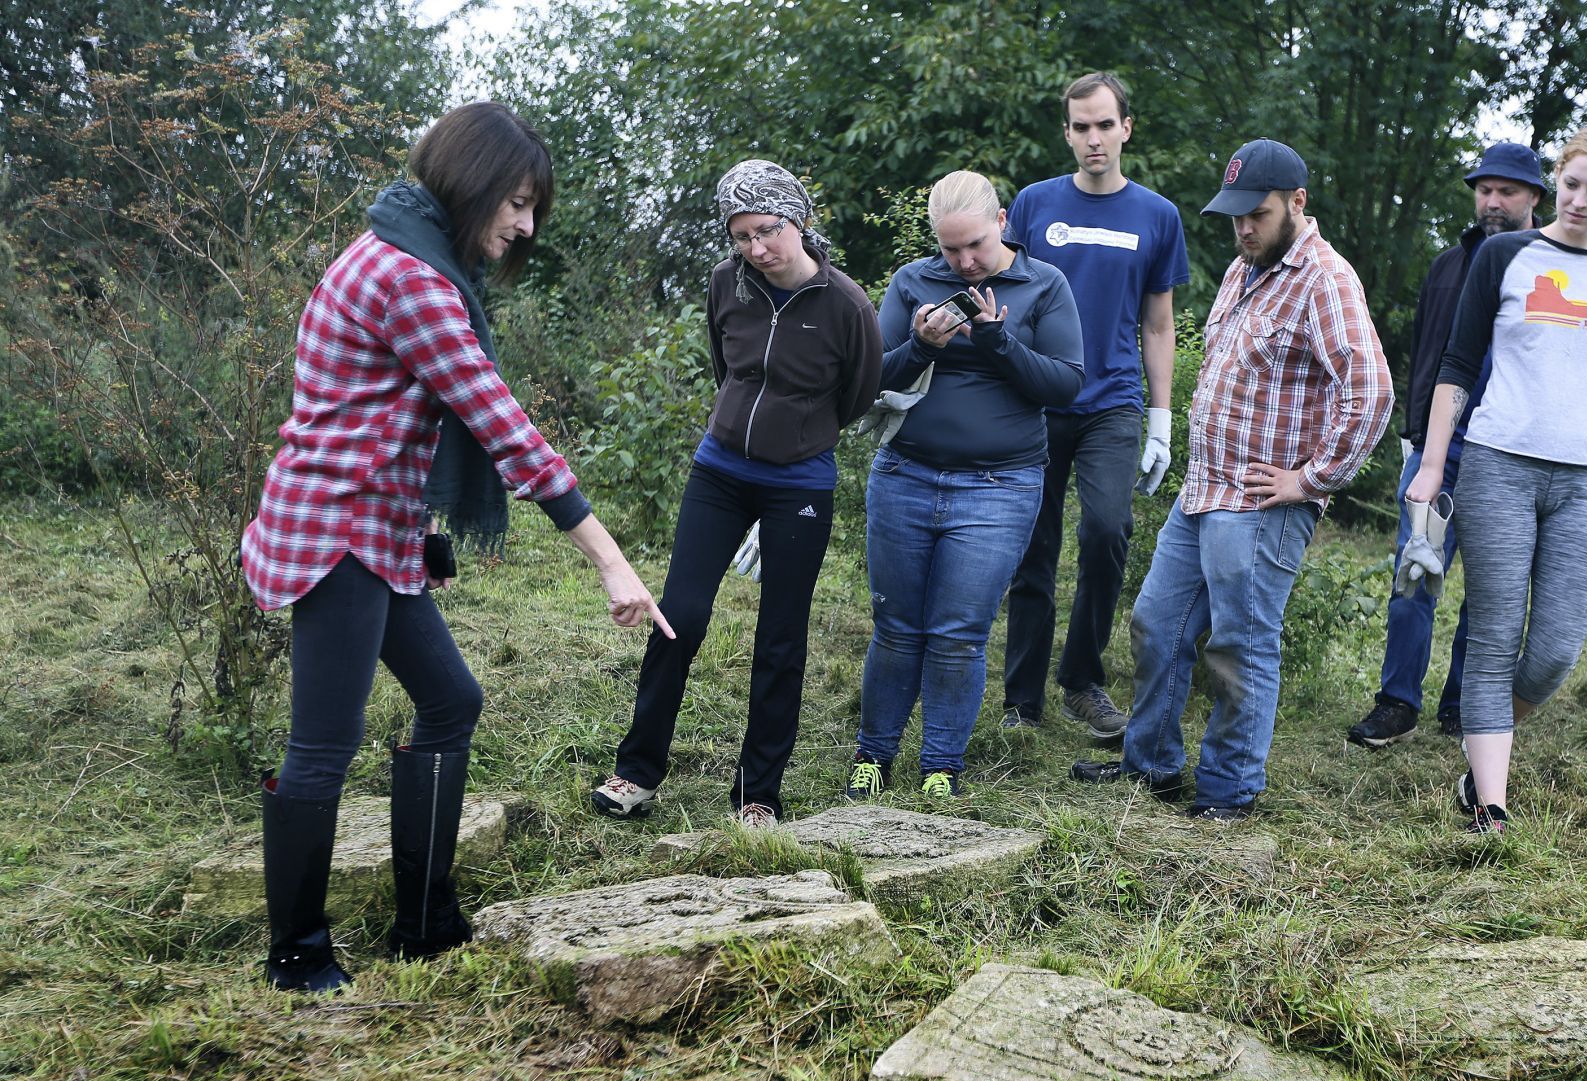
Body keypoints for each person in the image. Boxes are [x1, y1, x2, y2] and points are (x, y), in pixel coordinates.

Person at [239, 102, 668, 992]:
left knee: (451, 700)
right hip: (336, 529)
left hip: (380, 529)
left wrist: (423, 529)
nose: (524, 225)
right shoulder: (412, 280)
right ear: (470, 182)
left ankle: (425, 923)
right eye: (515, 202)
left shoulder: (405, 250)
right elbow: (502, 426)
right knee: (323, 744)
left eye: (533, 207)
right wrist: (609, 556)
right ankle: (297, 956)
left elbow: (402, 420)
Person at [1073, 139, 1393, 821]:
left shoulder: (1325, 279)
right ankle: (1151, 765)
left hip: (1260, 503)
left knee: (1238, 644)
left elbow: (1369, 389)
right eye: (1235, 216)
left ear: (1297, 205)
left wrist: (1313, 479)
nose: (1244, 227)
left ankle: (1229, 791)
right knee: (1156, 624)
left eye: (1259, 214)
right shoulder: (1242, 269)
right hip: (1204, 490)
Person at [591, 161, 882, 827]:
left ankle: (759, 792)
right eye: (742, 235)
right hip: (720, 469)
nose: (756, 248)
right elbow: (727, 366)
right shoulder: (728, 281)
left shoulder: (847, 304)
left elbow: (858, 394)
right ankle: (637, 770)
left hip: (800, 482)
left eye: (768, 230)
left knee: (781, 636)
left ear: (799, 220)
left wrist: (796, 438)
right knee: (680, 616)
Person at [1406, 122, 1587, 834]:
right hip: (1499, 463)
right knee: (1491, 635)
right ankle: (1491, 802)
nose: (1578, 200)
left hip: (1585, 475)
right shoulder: (1508, 255)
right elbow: (1456, 366)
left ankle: (1483, 748)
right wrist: (1429, 467)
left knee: (1552, 653)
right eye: (1570, 184)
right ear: (1558, 181)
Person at [845, 170, 1084, 799]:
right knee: (896, 626)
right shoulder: (914, 282)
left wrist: (999, 341)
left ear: (1002, 222)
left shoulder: (1043, 285)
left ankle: (941, 768)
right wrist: (922, 347)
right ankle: (873, 757)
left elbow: (1064, 386)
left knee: (957, 632)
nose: (965, 262)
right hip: (906, 475)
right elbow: (866, 379)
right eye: (950, 250)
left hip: (999, 486)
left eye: (975, 244)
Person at [999, 71, 1190, 740]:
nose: (1093, 139)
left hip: (1112, 402)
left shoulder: (1157, 216)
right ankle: (1021, 699)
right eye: (1080, 127)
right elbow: (1009, 301)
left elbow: (1158, 324)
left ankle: (1081, 679)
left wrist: (1162, 419)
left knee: (1106, 531)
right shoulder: (1033, 204)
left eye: (1104, 125)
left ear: (1126, 128)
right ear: (1067, 133)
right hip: (1037, 398)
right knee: (1033, 545)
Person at [1347, 143, 1542, 748]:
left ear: (1535, 197)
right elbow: (1430, 357)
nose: (1491, 200)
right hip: (1439, 449)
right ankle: (1396, 703)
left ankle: (1461, 703)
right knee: (1413, 575)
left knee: (1491, 591)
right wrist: (1415, 436)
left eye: (1506, 190)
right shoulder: (1448, 266)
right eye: (1483, 188)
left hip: (1511, 453)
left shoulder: (1548, 269)